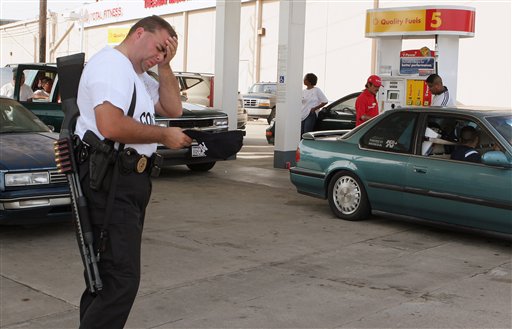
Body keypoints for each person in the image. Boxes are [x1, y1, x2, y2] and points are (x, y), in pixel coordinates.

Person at [74, 15, 192, 328]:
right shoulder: (112, 66)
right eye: (158, 47)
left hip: (127, 181)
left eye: (166, 52)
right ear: (139, 33)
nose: (159, 55)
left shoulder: (135, 73)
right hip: (110, 181)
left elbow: (172, 108)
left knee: (105, 279)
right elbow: (110, 125)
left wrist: (165, 65)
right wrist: (163, 135)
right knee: (120, 279)